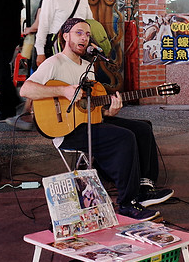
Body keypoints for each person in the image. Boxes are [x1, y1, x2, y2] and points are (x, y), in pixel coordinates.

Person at [19, 17, 174, 221]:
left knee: (142, 128)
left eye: (88, 34)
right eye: (79, 33)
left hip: (87, 122)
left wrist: (109, 112)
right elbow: (26, 89)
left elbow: (91, 108)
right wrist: (63, 90)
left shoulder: (88, 66)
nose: (84, 38)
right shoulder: (54, 63)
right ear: (66, 36)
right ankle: (127, 203)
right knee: (124, 137)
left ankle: (144, 188)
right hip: (67, 130)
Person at [10, 0, 62, 131]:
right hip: (56, 45)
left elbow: (38, 25)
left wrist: (28, 30)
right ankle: (30, 114)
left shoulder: (45, 0)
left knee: (36, 79)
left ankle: (27, 115)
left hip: (44, 46)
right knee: (42, 79)